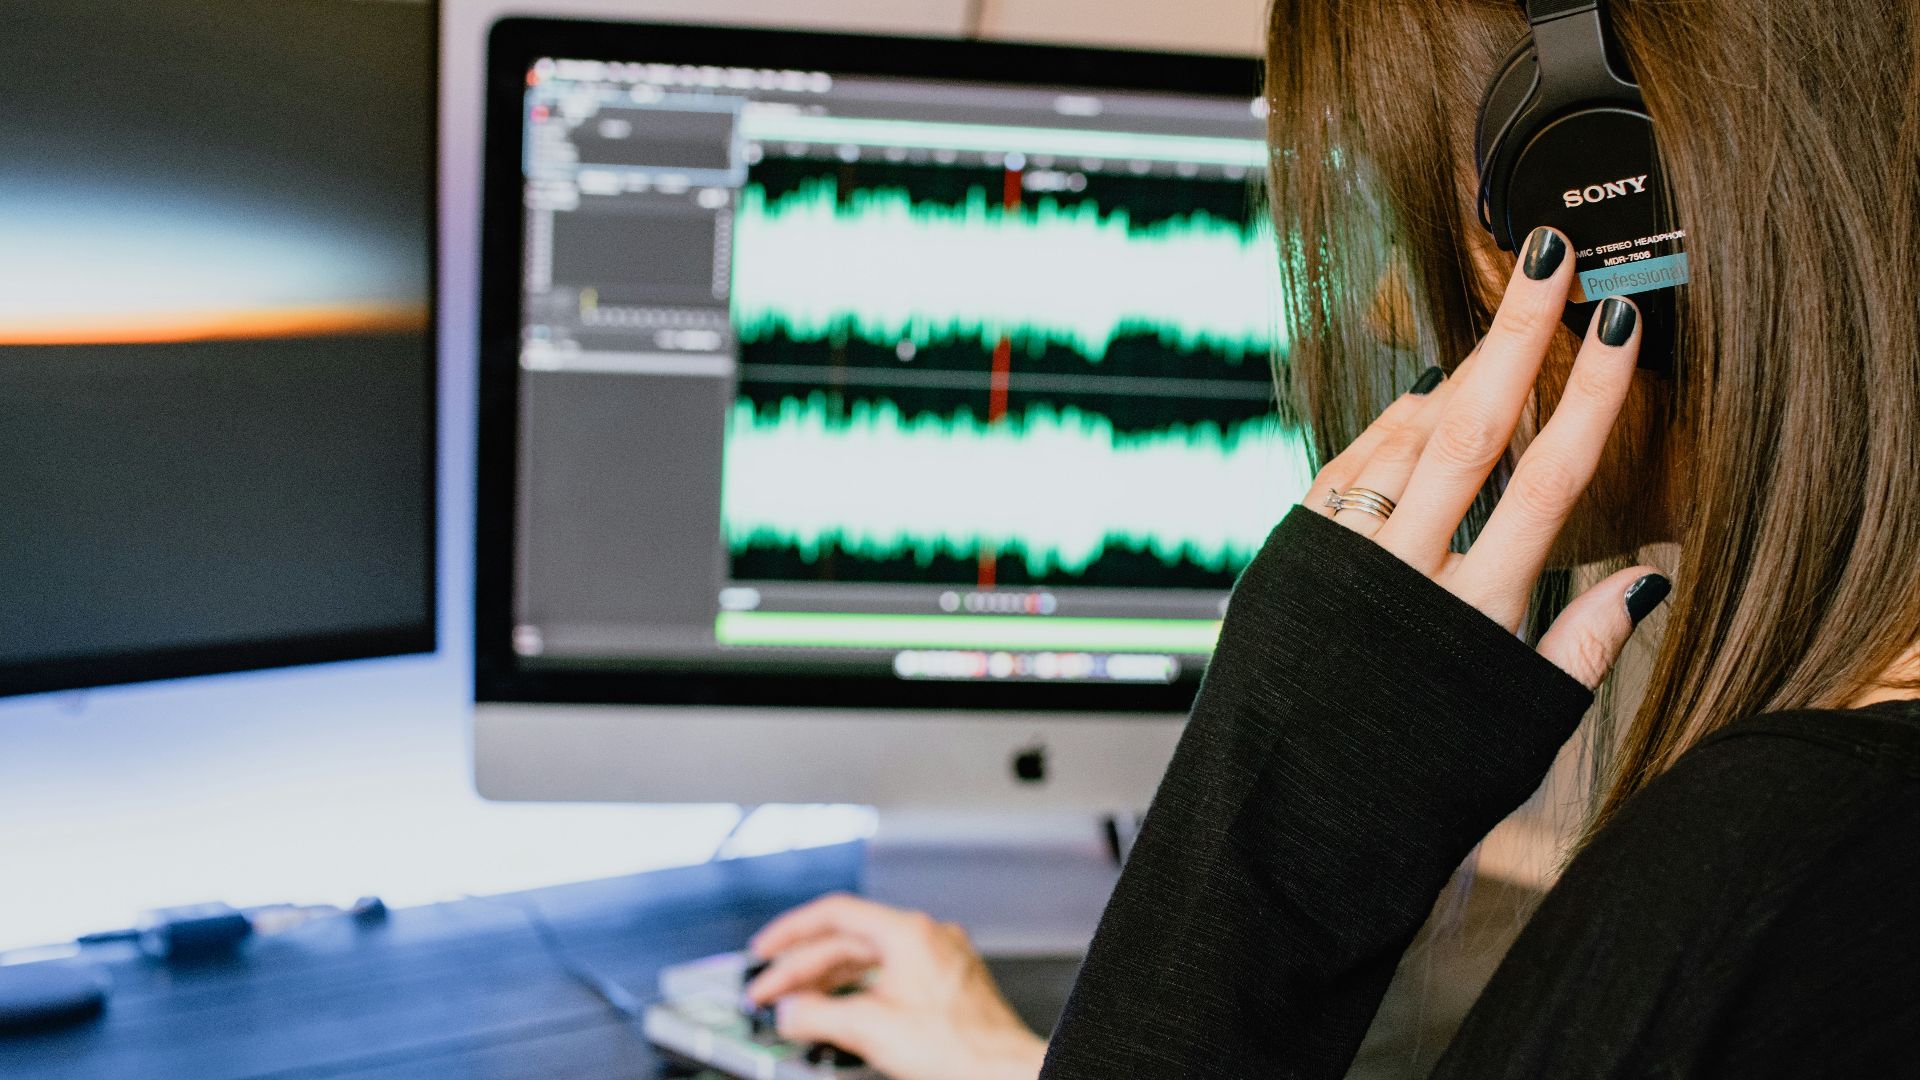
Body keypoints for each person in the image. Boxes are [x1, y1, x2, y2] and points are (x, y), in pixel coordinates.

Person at [745, 0, 1920, 1075]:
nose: (1381, 311)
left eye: (1424, 201)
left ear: (1614, 197)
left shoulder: (1771, 871)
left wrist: (1283, 821)